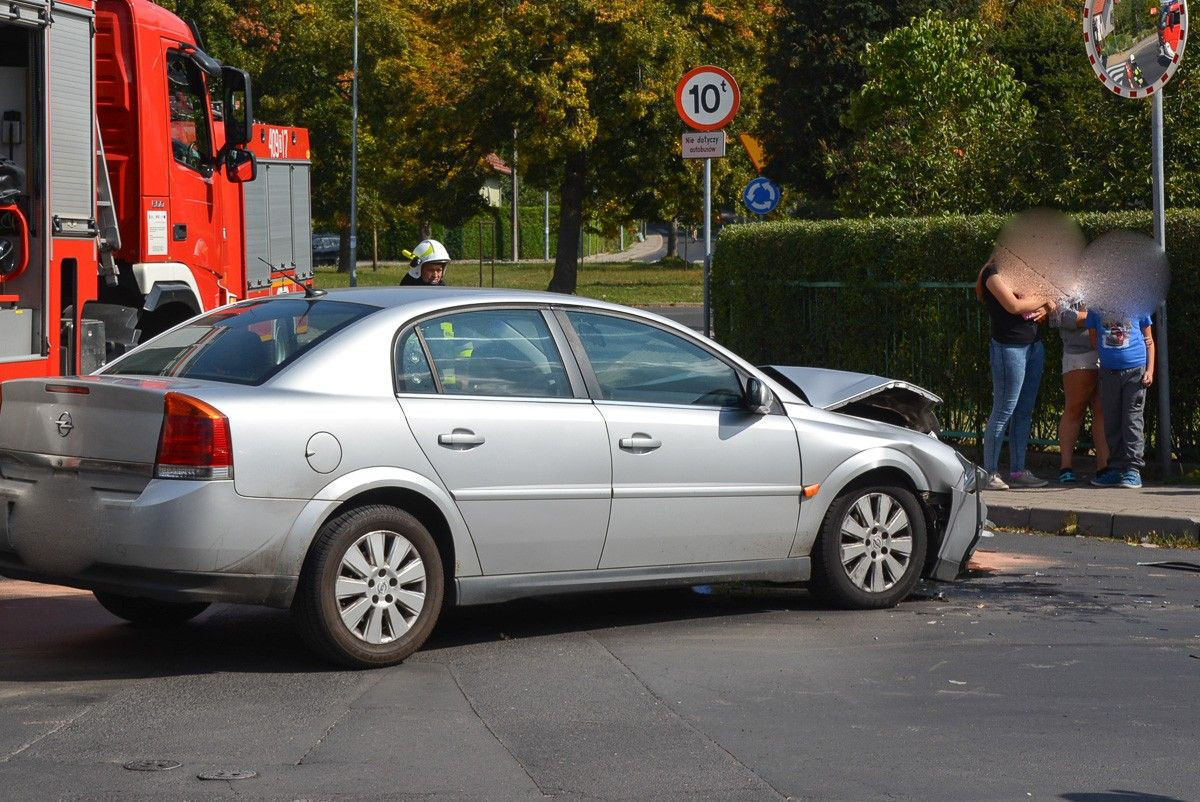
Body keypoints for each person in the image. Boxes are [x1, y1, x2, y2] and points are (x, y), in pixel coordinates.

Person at [976, 259, 1056, 490]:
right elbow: (1014, 306)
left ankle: (1018, 471)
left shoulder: (1026, 271)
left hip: (1033, 346)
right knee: (1004, 409)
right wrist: (1043, 298)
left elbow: (1050, 305)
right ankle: (990, 473)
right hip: (1008, 348)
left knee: (1024, 412)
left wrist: (1044, 304)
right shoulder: (993, 273)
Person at [1087, 310, 1155, 489]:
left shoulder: (1138, 303)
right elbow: (1094, 340)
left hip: (1135, 371)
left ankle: (1133, 470)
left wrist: (1149, 370)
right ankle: (1116, 469)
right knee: (1112, 420)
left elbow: (1149, 340)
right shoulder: (1095, 309)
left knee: (1132, 420)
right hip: (1109, 372)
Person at [1053, 300, 1109, 483]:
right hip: (1079, 354)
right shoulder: (1064, 283)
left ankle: (1104, 467)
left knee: (1102, 411)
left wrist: (1089, 317)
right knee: (1075, 409)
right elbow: (1063, 317)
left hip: (1108, 351)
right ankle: (1066, 467)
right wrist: (1099, 317)